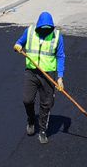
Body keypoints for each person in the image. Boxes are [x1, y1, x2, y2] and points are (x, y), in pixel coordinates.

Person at [14, 10, 64, 144]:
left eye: (48, 28)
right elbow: (19, 42)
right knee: (27, 100)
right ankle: (31, 119)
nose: (45, 31)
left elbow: (60, 56)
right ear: (38, 26)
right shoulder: (29, 32)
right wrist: (18, 46)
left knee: (46, 103)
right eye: (43, 28)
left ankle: (42, 130)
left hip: (48, 75)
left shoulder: (57, 36)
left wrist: (60, 78)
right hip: (31, 72)